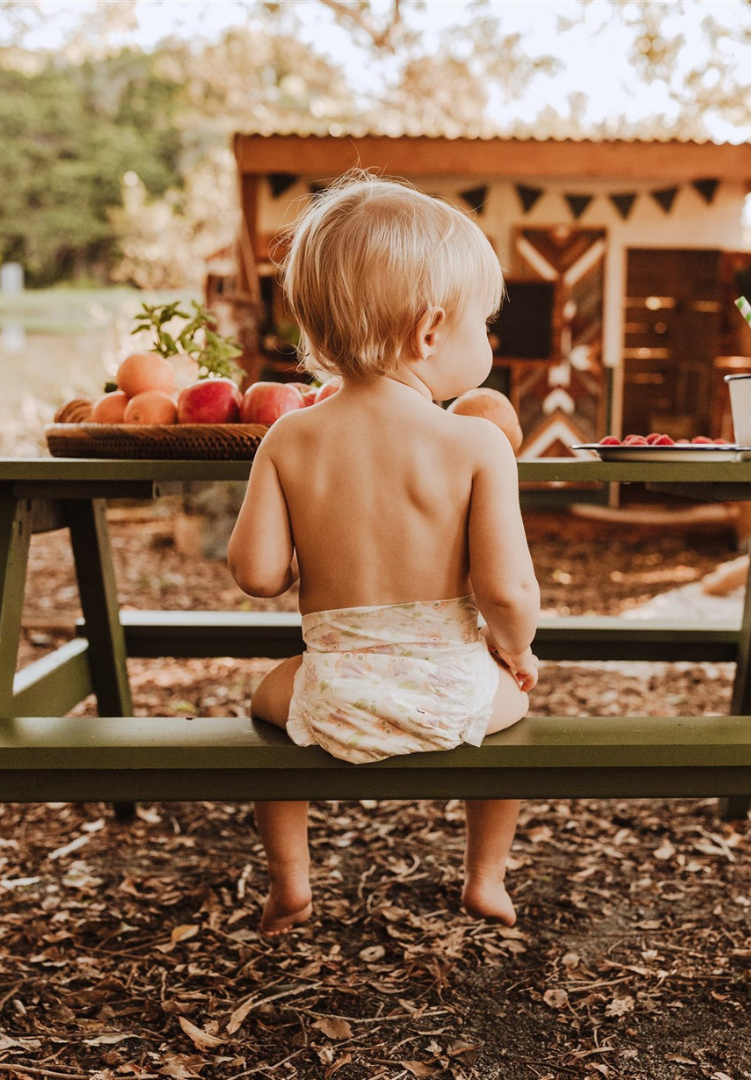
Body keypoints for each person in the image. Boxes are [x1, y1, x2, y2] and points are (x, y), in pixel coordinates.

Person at [227, 171, 540, 935]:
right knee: (519, 716)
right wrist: (516, 650)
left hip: (333, 694)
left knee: (264, 707)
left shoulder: (290, 437)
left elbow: (258, 574)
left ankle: (291, 882)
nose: (489, 340)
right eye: (484, 325)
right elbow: (506, 590)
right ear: (430, 332)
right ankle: (485, 877)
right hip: (452, 695)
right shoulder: (476, 443)